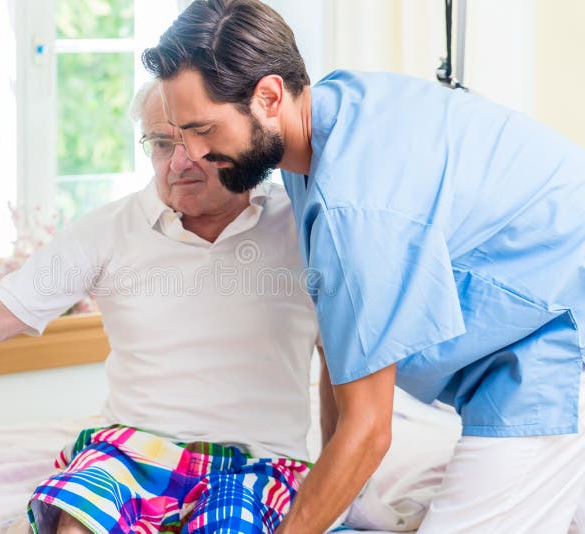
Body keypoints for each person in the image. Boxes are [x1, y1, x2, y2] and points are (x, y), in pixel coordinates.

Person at [142, 0, 585, 532]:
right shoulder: (325, 121)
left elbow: (370, 429)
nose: (189, 155)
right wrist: (346, 496)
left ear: (268, 96)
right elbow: (342, 340)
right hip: (518, 336)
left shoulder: (354, 208)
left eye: (203, 130)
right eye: (177, 134)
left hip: (556, 340)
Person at [0, 82, 319, 534]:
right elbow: (2, 308)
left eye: (192, 140)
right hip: (131, 449)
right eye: (161, 144)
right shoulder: (111, 228)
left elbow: (348, 357)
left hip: (258, 461)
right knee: (76, 521)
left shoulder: (298, 224)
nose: (177, 161)